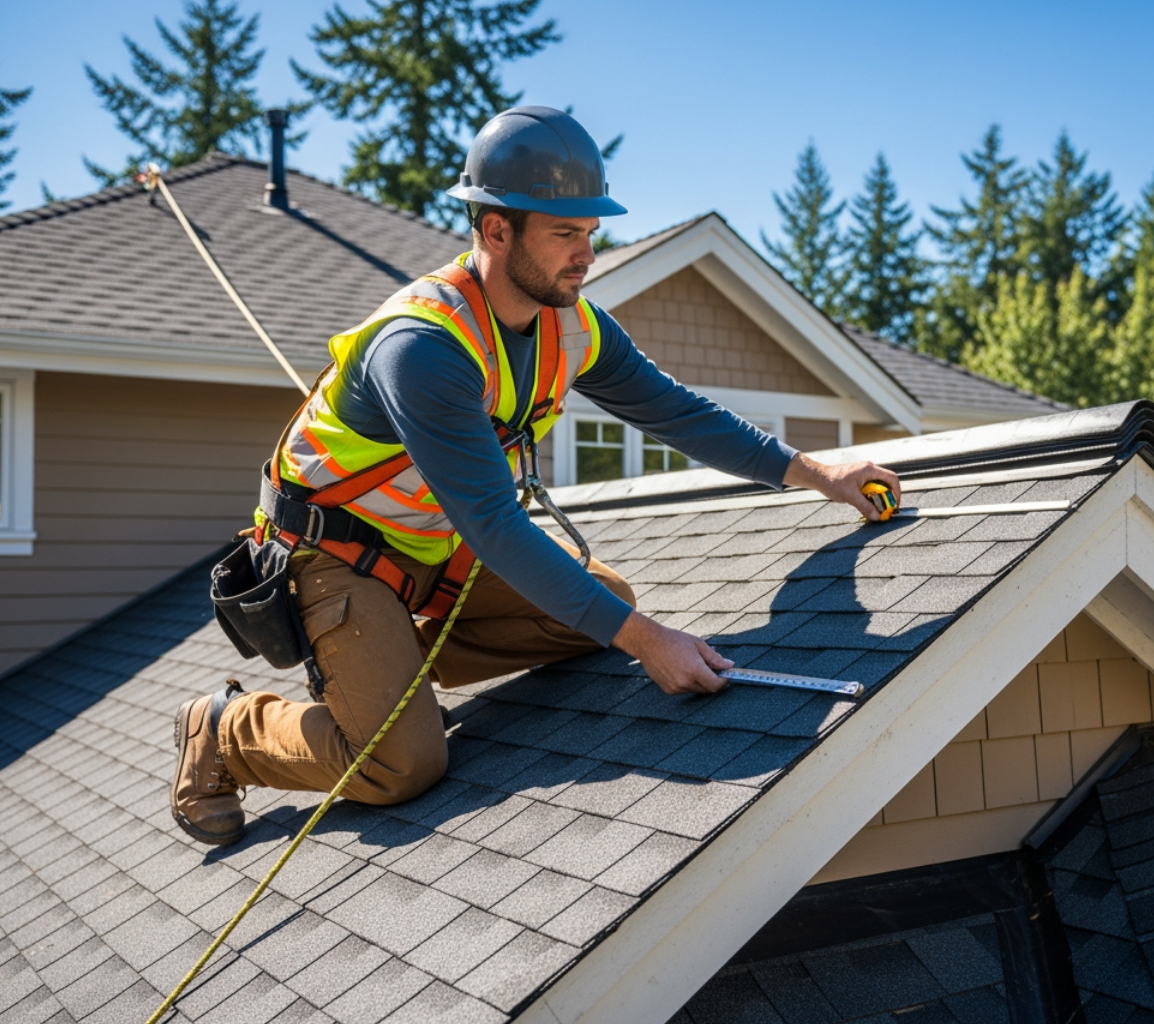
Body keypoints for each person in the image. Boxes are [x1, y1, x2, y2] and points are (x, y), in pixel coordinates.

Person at [171, 106, 901, 846]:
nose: (586, 255)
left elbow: (677, 413)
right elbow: (495, 525)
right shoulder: (422, 348)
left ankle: (382, 671)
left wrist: (819, 472)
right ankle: (228, 731)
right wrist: (650, 642)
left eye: (590, 232)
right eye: (564, 234)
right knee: (403, 764)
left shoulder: (571, 325)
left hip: (434, 547)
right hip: (335, 555)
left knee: (602, 607)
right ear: (496, 230)